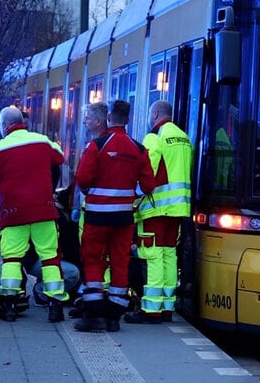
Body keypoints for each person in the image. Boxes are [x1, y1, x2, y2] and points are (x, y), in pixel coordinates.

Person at [0, 105, 69, 323]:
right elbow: (60, 158)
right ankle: (55, 305)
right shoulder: (42, 141)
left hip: (14, 213)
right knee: (50, 258)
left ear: (5, 125)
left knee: (11, 258)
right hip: (44, 210)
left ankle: (9, 304)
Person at [74, 99, 156, 333]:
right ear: (128, 120)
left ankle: (93, 314)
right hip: (124, 218)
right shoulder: (138, 148)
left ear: (108, 118)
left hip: (97, 216)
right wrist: (131, 195)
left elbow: (82, 179)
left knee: (93, 260)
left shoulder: (97, 145)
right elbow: (149, 185)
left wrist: (92, 193)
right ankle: (114, 316)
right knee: (120, 261)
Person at [127, 100, 192, 324]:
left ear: (154, 113)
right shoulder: (184, 138)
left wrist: (133, 197)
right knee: (169, 256)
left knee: (152, 256)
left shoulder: (154, 137)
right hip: (177, 209)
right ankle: (166, 307)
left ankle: (151, 310)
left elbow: (147, 173)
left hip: (155, 208)